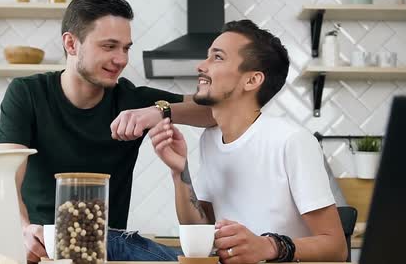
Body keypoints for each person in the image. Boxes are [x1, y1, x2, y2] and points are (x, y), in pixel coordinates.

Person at [0, 0, 214, 262]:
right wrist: (24, 230)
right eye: (109, 46)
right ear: (71, 44)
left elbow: (212, 113)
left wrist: (158, 111)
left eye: (126, 48)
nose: (121, 59)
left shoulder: (131, 99)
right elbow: (3, 178)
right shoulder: (27, 94)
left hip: (108, 250)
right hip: (40, 249)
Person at [148, 19, 348, 263]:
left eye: (217, 57)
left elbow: (336, 247)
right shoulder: (210, 140)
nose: (201, 66)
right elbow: (202, 232)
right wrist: (180, 173)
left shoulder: (292, 141)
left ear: (252, 80)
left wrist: (269, 246)